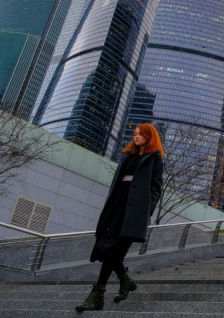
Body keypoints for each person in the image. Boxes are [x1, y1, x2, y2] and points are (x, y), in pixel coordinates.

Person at [75, 123, 164, 313]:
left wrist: (146, 210)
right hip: (116, 206)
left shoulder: (155, 158)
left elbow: (156, 186)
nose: (136, 136)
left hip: (134, 212)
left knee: (113, 252)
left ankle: (97, 296)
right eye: (135, 134)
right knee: (104, 248)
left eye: (140, 134)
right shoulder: (129, 155)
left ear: (150, 137)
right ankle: (125, 280)